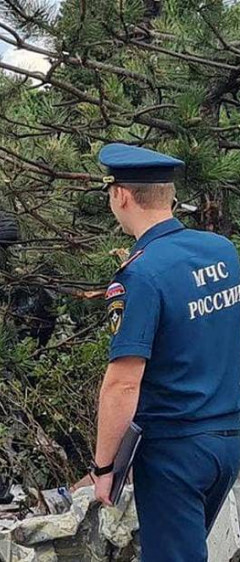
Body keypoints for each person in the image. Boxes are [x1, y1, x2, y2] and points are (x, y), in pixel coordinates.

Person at [91, 144, 240, 562]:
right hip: (227, 441)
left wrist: (105, 470)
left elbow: (122, 383)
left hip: (175, 451)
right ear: (168, 195)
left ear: (120, 195)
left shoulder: (140, 273)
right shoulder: (222, 252)